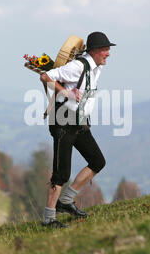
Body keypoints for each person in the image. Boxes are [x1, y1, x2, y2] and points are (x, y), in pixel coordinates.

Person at [39, 31, 116, 228]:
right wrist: (65, 92)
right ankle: (49, 219)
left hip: (79, 123)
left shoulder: (95, 68)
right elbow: (45, 76)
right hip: (63, 123)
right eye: (106, 50)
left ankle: (65, 201)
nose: (108, 53)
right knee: (61, 174)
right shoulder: (77, 67)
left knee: (97, 161)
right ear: (96, 51)